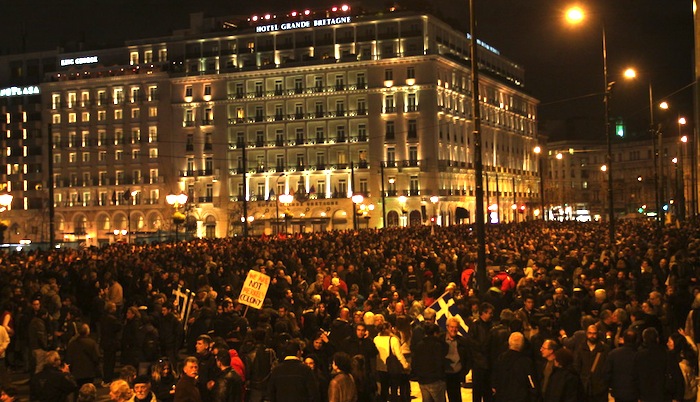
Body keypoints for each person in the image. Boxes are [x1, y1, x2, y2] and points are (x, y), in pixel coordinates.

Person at [635, 327, 684, 402]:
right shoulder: (667, 354)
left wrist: (637, 395)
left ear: (644, 339)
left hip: (646, 394)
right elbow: (677, 376)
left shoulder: (639, 355)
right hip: (664, 394)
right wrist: (678, 396)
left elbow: (635, 376)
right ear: (657, 338)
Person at [490, 332, 539, 402]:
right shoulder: (526, 362)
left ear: (509, 343)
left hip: (502, 397)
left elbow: (494, 377)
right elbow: (531, 383)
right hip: (520, 398)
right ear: (522, 344)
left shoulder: (500, 358)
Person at [412, 322, 448, 402]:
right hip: (435, 380)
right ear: (436, 333)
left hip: (423, 380)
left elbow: (415, 362)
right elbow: (440, 362)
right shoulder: (438, 345)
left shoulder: (419, 345)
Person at [573, 325, 609, 402]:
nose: (592, 336)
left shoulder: (604, 349)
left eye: (594, 333)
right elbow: (577, 366)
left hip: (600, 388)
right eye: (590, 333)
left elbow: (607, 368)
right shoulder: (581, 348)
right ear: (586, 334)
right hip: (584, 386)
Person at [374, 322, 409, 402]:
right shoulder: (393, 340)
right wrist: (405, 365)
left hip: (380, 367)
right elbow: (399, 355)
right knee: (394, 389)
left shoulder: (376, 339)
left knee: (383, 389)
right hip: (391, 368)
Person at [469, 302, 494, 402]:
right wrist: (483, 347)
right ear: (483, 313)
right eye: (490, 313)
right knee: (477, 393)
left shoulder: (493, 326)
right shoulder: (475, 326)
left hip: (489, 363)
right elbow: (471, 343)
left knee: (488, 392)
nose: (492, 315)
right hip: (478, 364)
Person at [604, 329, 638, 402]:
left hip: (618, 390)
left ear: (623, 339)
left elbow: (607, 372)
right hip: (634, 390)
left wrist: (611, 385)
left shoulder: (614, 354)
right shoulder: (638, 355)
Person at [65, 322, 102, 387]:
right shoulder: (91, 343)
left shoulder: (72, 344)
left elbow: (69, 358)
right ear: (88, 332)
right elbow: (96, 357)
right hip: (89, 372)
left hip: (76, 372)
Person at [444, 316, 471, 402]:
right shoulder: (441, 340)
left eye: (456, 327)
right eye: (452, 327)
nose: (454, 329)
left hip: (456, 374)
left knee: (456, 398)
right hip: (443, 374)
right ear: (447, 327)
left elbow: (468, 358)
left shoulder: (463, 341)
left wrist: (464, 371)